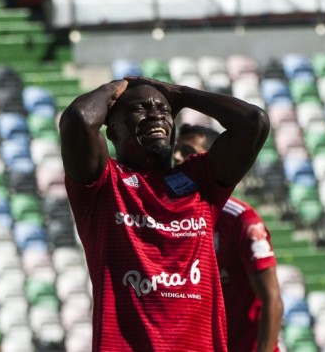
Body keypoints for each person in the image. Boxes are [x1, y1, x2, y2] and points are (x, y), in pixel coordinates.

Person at [59, 76, 270, 351]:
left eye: (163, 110)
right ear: (113, 131)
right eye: (140, 109)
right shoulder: (103, 185)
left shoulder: (202, 182)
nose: (155, 115)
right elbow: (78, 119)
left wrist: (181, 94)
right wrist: (114, 88)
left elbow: (254, 122)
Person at [175, 124, 283, 352]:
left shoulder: (242, 221)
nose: (176, 157)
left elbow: (271, 300)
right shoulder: (169, 219)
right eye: (175, 150)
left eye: (187, 151)